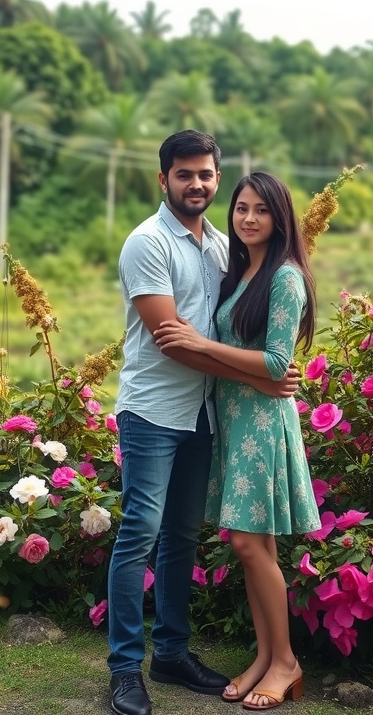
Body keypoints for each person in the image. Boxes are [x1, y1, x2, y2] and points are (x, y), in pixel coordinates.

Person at [107, 131, 300, 715]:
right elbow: (172, 343)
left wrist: (261, 375)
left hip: (205, 413)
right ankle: (123, 669)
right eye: (184, 174)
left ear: (217, 177)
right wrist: (262, 379)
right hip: (153, 410)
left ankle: (170, 653)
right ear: (162, 178)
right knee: (140, 531)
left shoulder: (222, 246)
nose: (197, 184)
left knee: (182, 538)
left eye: (206, 174)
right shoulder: (147, 243)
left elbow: (239, 331)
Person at [154, 171, 321, 712]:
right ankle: (266, 656)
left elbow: (278, 361)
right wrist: (242, 372)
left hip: (263, 426)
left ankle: (286, 663)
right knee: (255, 548)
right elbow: (259, 368)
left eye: (261, 210)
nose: (248, 218)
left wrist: (202, 343)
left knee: (251, 544)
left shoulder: (285, 278)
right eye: (242, 208)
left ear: (280, 218)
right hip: (237, 418)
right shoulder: (243, 269)